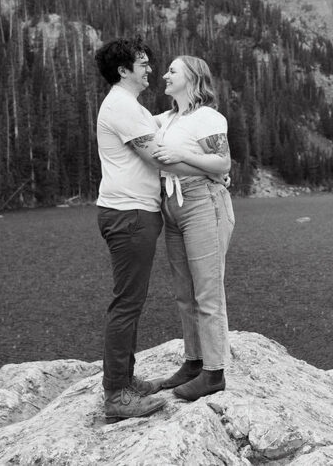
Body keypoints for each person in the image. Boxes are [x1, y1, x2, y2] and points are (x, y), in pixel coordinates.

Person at [93, 38, 220, 422]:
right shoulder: (121, 107)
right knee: (127, 304)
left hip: (133, 212)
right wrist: (215, 171)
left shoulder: (130, 107)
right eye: (143, 64)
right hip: (129, 214)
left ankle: (125, 382)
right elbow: (160, 159)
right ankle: (116, 394)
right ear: (123, 70)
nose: (151, 69)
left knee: (130, 301)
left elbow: (169, 142)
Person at [149, 56, 235, 401]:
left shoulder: (208, 117)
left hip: (203, 203)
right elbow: (135, 125)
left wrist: (181, 159)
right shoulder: (167, 118)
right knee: (184, 294)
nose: (165, 75)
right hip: (172, 206)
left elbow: (222, 162)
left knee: (207, 293)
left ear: (193, 77)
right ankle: (193, 362)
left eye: (172, 70)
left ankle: (213, 373)